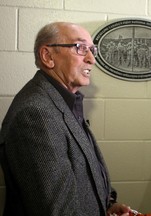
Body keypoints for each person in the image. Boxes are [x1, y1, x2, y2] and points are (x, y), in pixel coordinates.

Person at [0, 22, 131, 216]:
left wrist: (107, 206)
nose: (91, 59)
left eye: (92, 50)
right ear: (48, 56)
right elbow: (57, 211)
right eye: (80, 48)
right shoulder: (36, 114)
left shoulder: (62, 101)